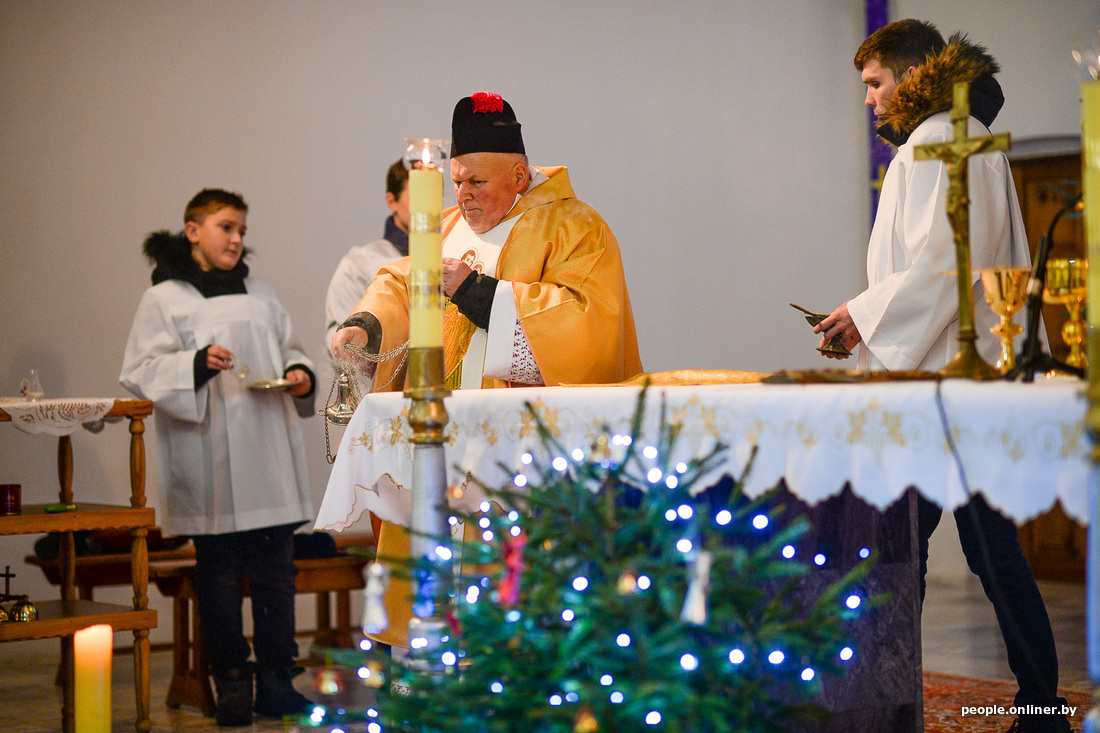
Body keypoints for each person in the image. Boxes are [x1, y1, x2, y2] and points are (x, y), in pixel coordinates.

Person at [815, 20, 1070, 733]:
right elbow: (933, 268)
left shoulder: (936, 145)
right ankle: (1032, 704)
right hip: (957, 377)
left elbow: (937, 269)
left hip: (943, 387)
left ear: (910, 76)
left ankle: (899, 698)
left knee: (928, 548)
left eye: (874, 84)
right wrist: (865, 315)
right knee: (960, 546)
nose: (867, 101)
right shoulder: (952, 140)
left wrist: (865, 317)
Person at [331, 92, 643, 646]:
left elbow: (588, 326)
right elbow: (399, 284)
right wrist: (367, 328)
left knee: (516, 613)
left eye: (476, 181)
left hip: (524, 453)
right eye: (456, 180)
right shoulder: (445, 227)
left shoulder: (575, 228)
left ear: (520, 175)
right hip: (440, 449)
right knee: (437, 600)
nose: (463, 195)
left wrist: (475, 291)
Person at [119, 189, 316, 727]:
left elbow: (291, 345)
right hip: (211, 459)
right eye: (226, 227)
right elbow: (139, 370)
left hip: (267, 451)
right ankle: (231, 682)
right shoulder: (165, 298)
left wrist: (300, 375)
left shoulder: (261, 291)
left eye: (242, 231)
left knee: (278, 577)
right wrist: (196, 363)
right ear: (192, 230)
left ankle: (279, 681)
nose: (236, 239)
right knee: (221, 578)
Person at [323, 159, 411, 359]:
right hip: (378, 384)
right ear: (392, 201)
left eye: (434, 194)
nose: (429, 205)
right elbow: (339, 337)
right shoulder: (359, 263)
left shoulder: (450, 256)